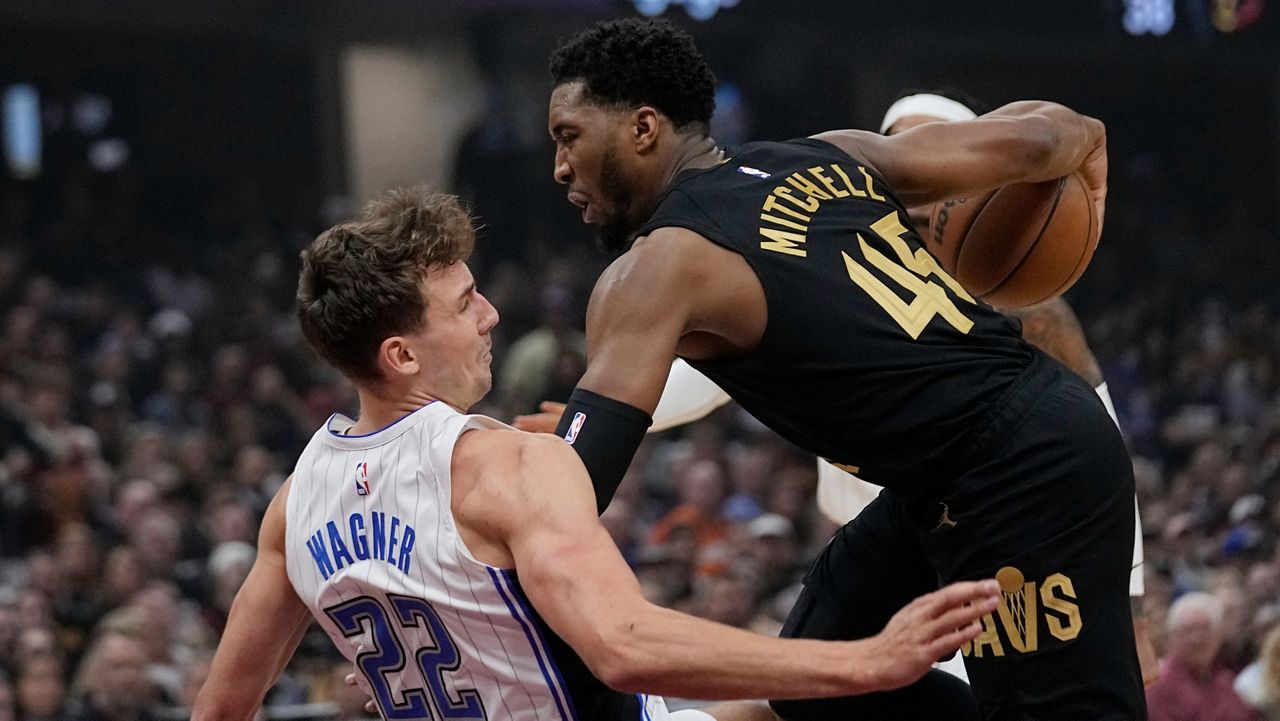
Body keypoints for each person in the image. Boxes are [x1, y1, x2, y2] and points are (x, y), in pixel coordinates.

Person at [189, 187, 1000, 721]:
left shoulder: (296, 503)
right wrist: (863, 660)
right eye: (466, 303)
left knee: (776, 707)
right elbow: (623, 647)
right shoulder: (503, 468)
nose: (491, 315)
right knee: (875, 685)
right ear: (402, 354)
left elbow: (221, 711)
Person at [538, 18, 1143, 720]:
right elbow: (1048, 137)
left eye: (568, 136)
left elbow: (565, 501)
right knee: (818, 675)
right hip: (962, 467)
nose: (558, 167)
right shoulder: (828, 155)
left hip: (1019, 471)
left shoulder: (653, 271)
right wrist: (1091, 157)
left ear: (643, 129)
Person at [1144, 593, 1257, 721]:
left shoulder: (1226, 682)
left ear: (1219, 636)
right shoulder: (1157, 686)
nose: (1197, 639)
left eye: (1205, 629)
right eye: (1188, 630)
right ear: (1171, 637)